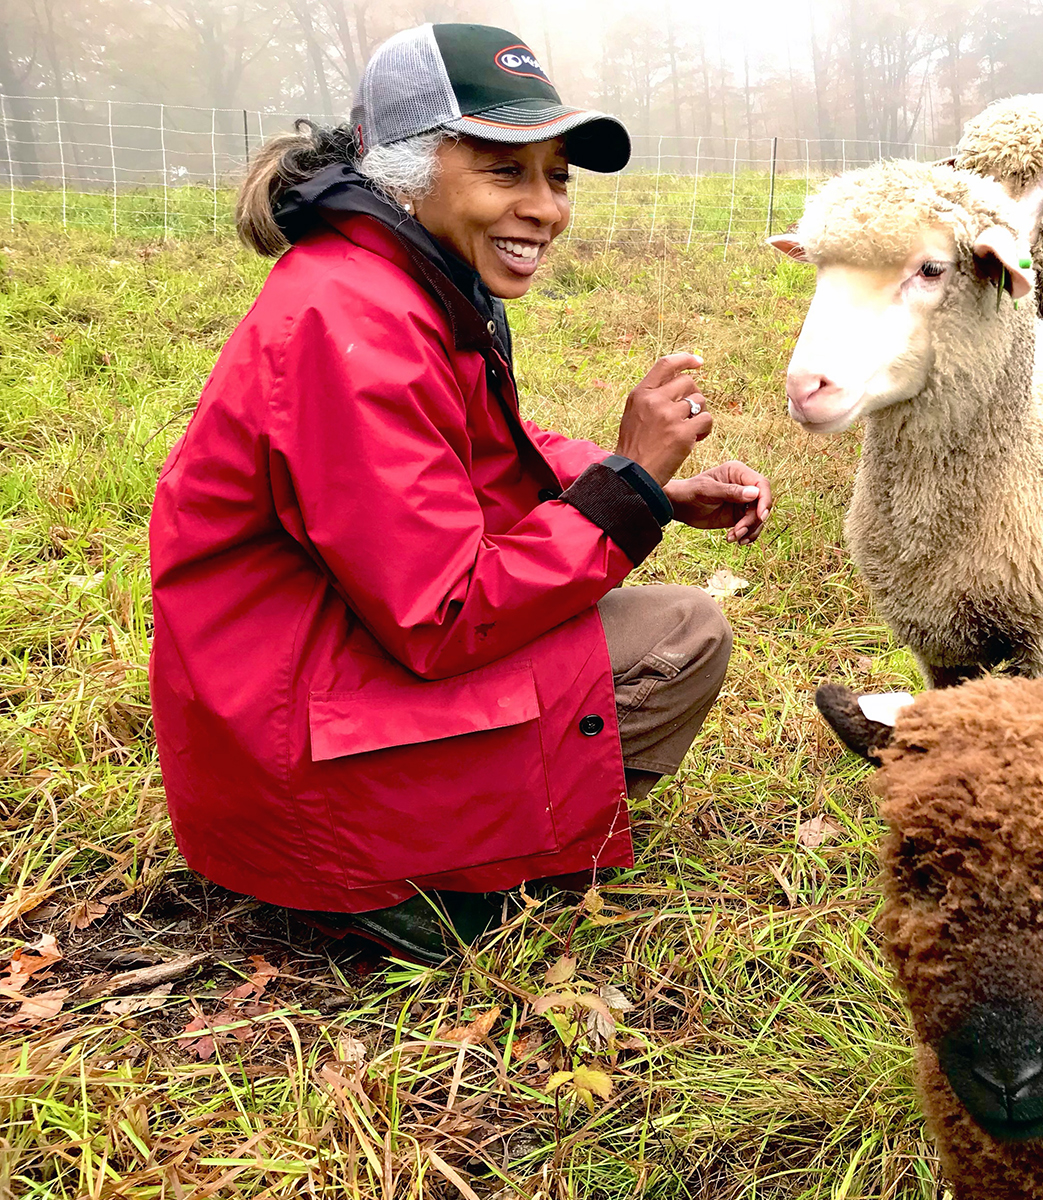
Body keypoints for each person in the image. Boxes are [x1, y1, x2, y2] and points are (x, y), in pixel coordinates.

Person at [149, 23, 774, 964]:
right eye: (501, 171)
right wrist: (627, 488)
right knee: (680, 640)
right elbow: (441, 616)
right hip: (294, 748)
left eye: (556, 175)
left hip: (307, 687)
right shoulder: (344, 320)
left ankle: (440, 844)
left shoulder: (388, 279)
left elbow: (472, 463)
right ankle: (389, 885)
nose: (546, 209)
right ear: (406, 169)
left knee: (665, 628)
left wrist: (650, 488)